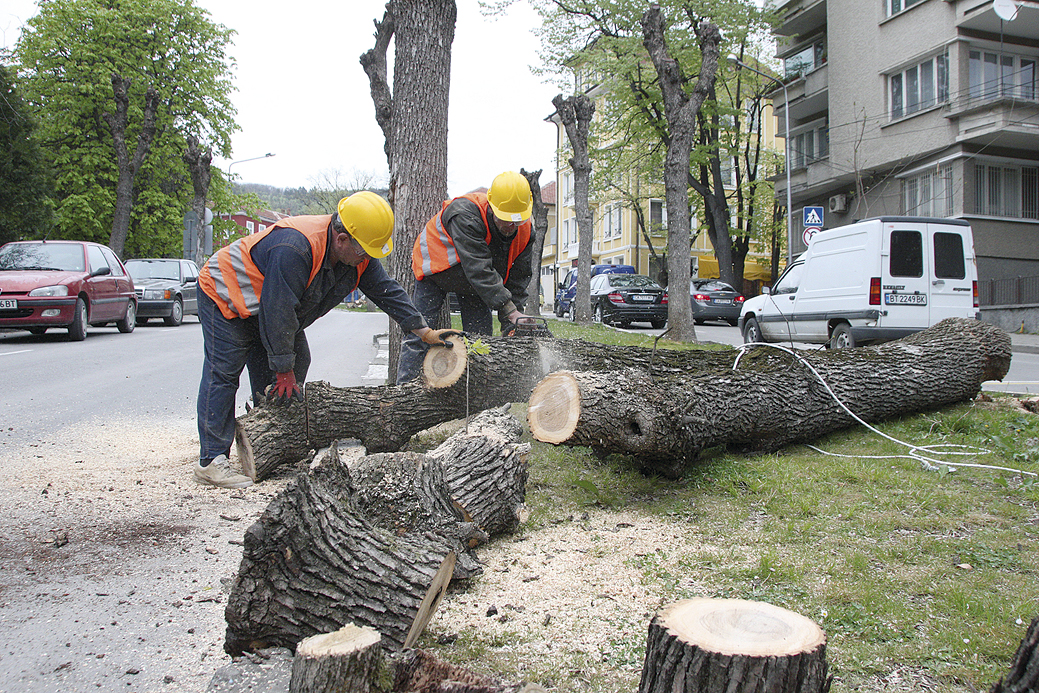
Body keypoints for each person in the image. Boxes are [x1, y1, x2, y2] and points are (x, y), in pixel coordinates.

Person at [194, 191, 456, 488]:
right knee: (225, 372)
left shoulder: (357, 256)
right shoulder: (295, 248)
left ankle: (266, 437)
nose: (367, 258)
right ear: (341, 238)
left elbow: (387, 291)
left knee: (294, 361)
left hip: (268, 307)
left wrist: (423, 331)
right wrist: (283, 370)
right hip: (225, 293)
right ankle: (211, 460)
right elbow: (278, 310)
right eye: (364, 251)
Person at [396, 171, 536, 384]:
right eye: (506, 219)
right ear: (492, 207)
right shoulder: (465, 214)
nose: (511, 226)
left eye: (517, 220)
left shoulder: (525, 231)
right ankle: (404, 391)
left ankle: (475, 394)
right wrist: (509, 309)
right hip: (436, 269)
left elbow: (518, 278)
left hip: (474, 282)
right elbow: (478, 268)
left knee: (480, 341)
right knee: (420, 334)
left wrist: (512, 322)